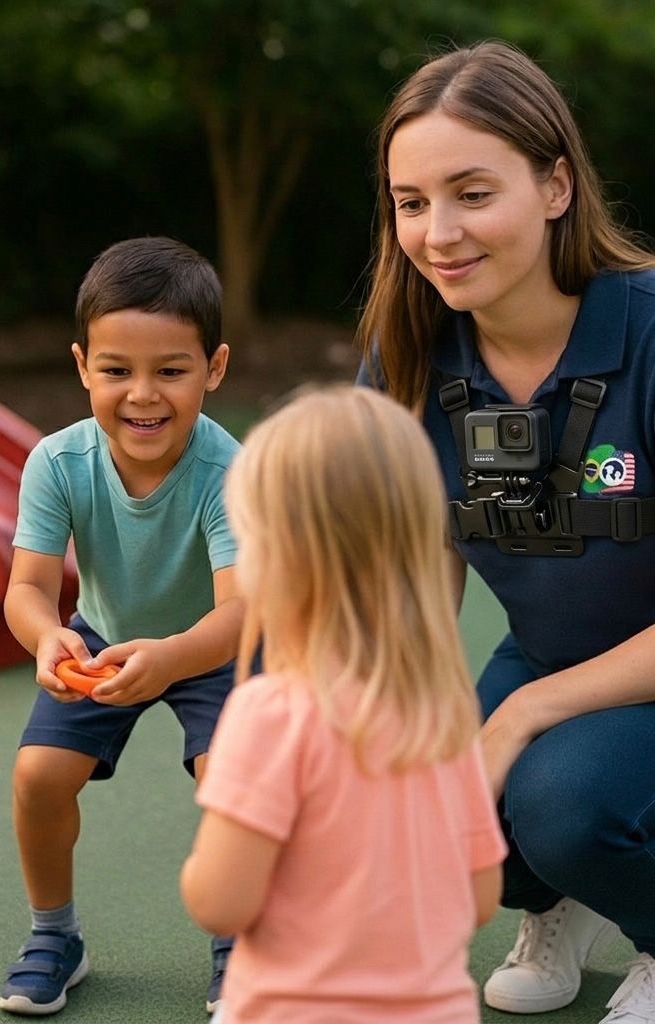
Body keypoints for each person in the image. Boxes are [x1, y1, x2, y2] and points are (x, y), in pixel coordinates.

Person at [357, 39, 655, 1023]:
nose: (436, 232)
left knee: (559, 799)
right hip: (548, 658)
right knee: (423, 781)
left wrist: (515, 716)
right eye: (410, 202)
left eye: (471, 193)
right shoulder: (404, 353)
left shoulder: (648, 331)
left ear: (555, 186)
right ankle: (566, 902)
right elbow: (416, 561)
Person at [180, 386, 506, 1024]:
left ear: (281, 561)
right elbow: (479, 896)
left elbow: (220, 902)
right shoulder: (444, 714)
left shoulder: (271, 712)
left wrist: (216, 827)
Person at [0, 236, 242, 1016]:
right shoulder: (57, 462)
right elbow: (27, 588)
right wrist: (47, 636)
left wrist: (174, 656)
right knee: (38, 776)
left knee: (233, 785)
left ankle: (240, 940)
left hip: (208, 644)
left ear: (215, 368)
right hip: (102, 638)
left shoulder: (229, 471)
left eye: (171, 370)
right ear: (82, 367)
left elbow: (245, 612)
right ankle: (55, 936)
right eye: (116, 371)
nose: (143, 395)